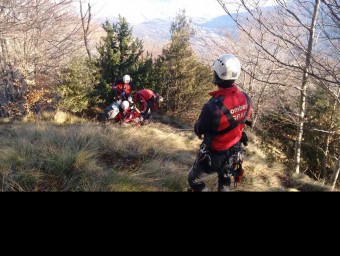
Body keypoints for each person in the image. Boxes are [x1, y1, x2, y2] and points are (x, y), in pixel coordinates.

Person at [188, 54, 253, 192]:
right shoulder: (245, 99)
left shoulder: (212, 107)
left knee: (194, 179)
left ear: (216, 76)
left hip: (215, 154)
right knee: (225, 179)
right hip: (234, 151)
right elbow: (243, 118)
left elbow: (199, 129)